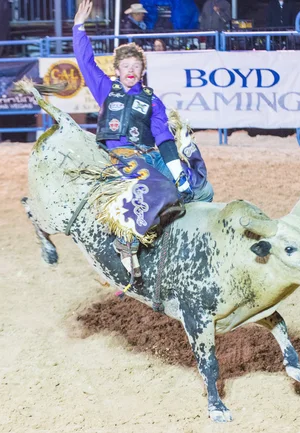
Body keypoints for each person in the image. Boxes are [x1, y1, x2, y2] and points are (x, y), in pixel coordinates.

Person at [73, 0, 213, 277]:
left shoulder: (151, 99)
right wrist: (79, 27)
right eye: (125, 64)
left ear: (141, 71)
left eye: (135, 65)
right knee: (163, 189)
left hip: (151, 154)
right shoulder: (105, 88)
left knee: (202, 190)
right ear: (117, 69)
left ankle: (179, 240)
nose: (130, 69)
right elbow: (85, 62)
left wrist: (177, 171)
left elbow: (162, 135)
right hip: (123, 156)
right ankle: (126, 241)